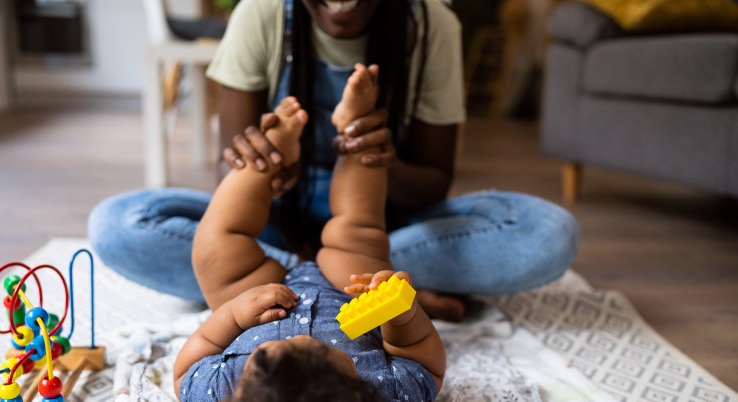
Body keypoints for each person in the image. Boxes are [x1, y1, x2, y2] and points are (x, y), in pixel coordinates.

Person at [87, 0, 579, 321]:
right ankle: (371, 286)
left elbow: (433, 184)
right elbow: (226, 171)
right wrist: (263, 167)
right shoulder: (261, 14)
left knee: (548, 234)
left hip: (381, 224)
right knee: (117, 225)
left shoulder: (430, 25)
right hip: (278, 223)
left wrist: (379, 159)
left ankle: (282, 281)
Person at [174, 65, 445, 402]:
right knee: (357, 234)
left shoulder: (215, 398)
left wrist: (235, 315)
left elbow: (189, 363)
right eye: (320, 356)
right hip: (348, 285)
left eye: (267, 362)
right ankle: (356, 131)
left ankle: (270, 155)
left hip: (259, 292)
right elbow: (426, 363)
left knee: (213, 250)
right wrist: (402, 316)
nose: (303, 341)